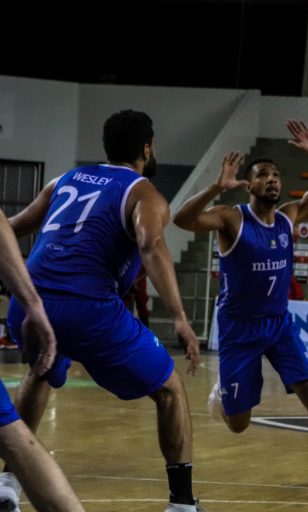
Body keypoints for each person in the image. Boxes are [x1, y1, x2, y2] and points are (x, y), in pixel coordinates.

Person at [6, 109, 204, 512]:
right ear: (146, 148)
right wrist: (180, 317)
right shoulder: (144, 194)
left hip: (28, 303)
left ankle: (7, 483)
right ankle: (182, 503)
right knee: (169, 389)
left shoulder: (64, 180)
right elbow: (150, 245)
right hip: (88, 310)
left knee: (40, 371)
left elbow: (10, 228)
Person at [172, 120, 308, 492]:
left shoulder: (289, 216)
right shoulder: (232, 218)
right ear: (249, 184)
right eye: (262, 175)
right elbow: (182, 219)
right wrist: (215, 187)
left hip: (278, 324)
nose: (272, 179)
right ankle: (224, 392)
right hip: (238, 328)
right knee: (238, 424)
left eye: (275, 175)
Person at [0, 208, 85, 512]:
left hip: (60, 298)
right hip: (73, 300)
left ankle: (8, 482)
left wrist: (31, 302)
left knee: (14, 433)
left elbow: (5, 228)